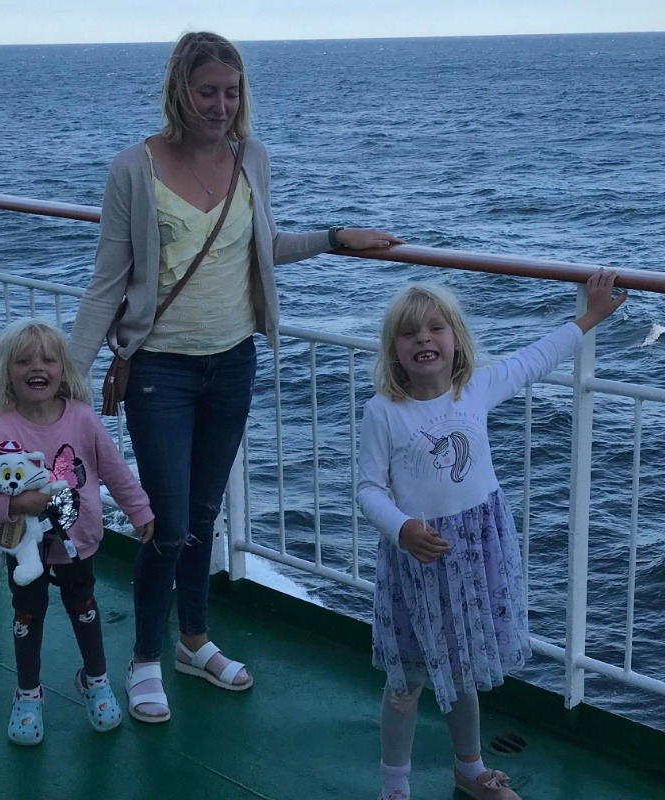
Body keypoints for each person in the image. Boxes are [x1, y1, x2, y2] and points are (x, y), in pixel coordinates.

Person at [67, 30, 403, 724]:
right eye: (207, 92)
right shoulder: (134, 168)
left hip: (233, 361)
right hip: (159, 369)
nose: (221, 106)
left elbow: (262, 246)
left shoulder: (252, 157)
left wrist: (335, 238)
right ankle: (145, 658)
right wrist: (68, 382)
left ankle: (193, 641)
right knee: (164, 521)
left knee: (201, 516)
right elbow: (108, 282)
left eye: (231, 92)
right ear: (179, 92)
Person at [358, 270, 626, 800]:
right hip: (416, 563)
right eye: (409, 333)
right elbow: (369, 489)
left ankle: (470, 769)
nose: (424, 339)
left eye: (436, 328)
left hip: (474, 553)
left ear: (457, 340)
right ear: (394, 351)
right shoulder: (383, 412)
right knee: (406, 683)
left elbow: (535, 359)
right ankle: (395, 785)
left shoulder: (475, 387)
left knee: (461, 669)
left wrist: (591, 317)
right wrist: (402, 528)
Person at [0, 320, 154, 745]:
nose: (37, 367)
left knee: (84, 608)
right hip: (24, 549)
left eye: (48, 359)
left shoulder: (82, 419)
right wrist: (13, 505)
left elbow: (116, 472)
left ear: (63, 369)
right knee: (27, 615)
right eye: (24, 361)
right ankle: (28, 692)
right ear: (7, 372)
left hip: (78, 542)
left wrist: (140, 511)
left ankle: (95, 680)